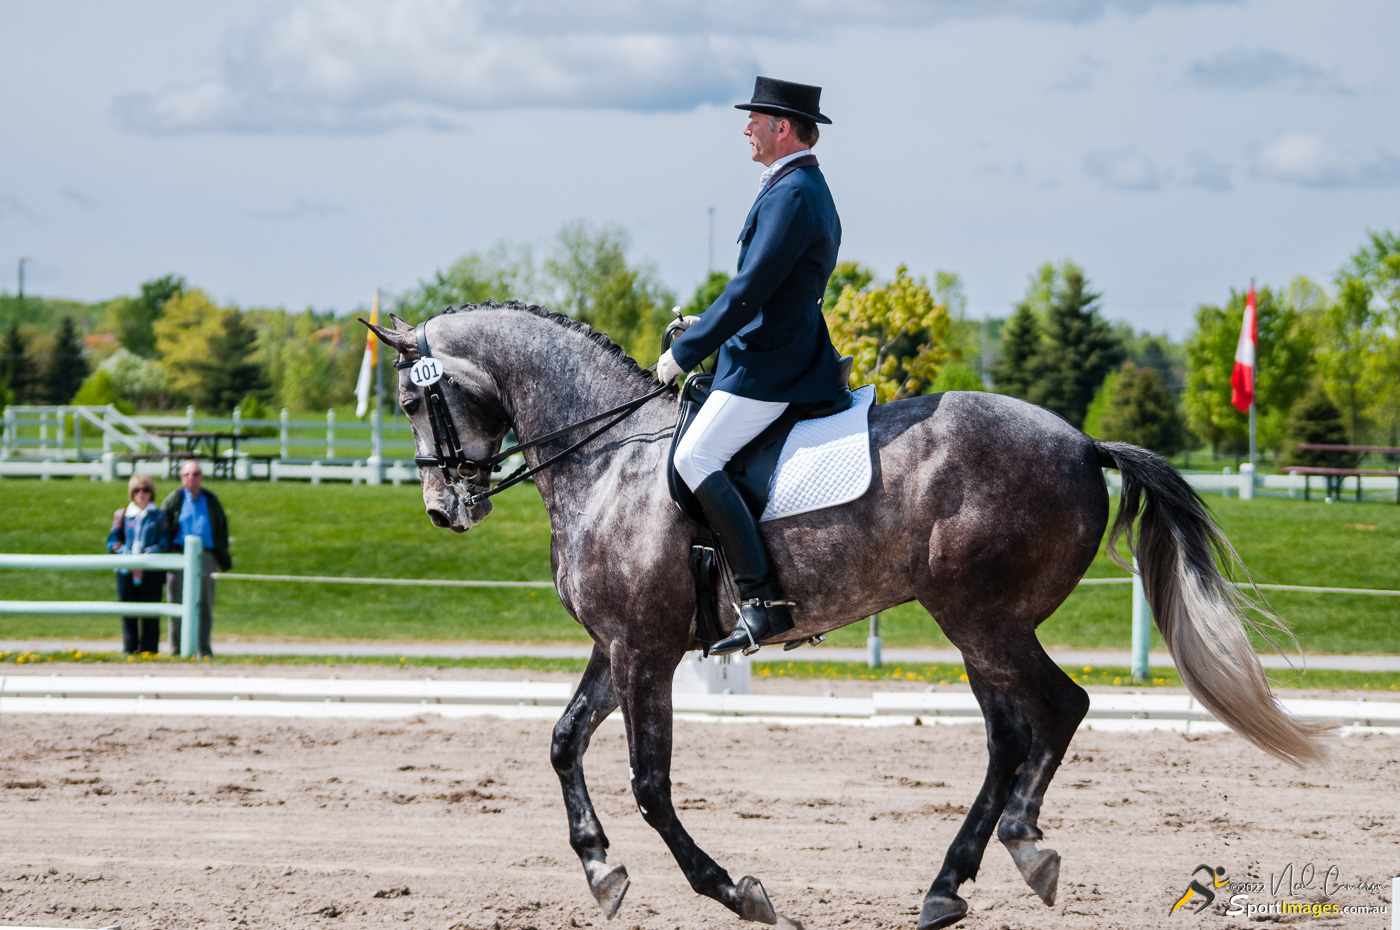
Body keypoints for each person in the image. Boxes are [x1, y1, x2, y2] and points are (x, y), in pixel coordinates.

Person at [657, 76, 844, 656]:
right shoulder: (797, 185)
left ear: (782, 127)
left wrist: (684, 352)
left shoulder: (793, 193)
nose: (745, 130)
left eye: (754, 121)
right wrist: (709, 326)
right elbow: (767, 291)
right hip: (769, 348)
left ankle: (762, 600)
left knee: (694, 456)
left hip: (772, 366)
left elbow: (750, 290)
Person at [160, 459, 231, 658]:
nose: (191, 478)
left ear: (202, 477)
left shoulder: (211, 500)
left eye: (196, 474)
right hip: (179, 556)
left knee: (205, 605)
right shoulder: (174, 500)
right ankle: (176, 650)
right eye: (187, 474)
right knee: (176, 603)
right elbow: (163, 527)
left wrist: (221, 553)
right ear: (181, 477)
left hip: (206, 556)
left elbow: (221, 527)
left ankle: (204, 651)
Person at [106, 473, 167, 654]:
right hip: (126, 571)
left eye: (145, 490)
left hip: (151, 571)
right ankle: (129, 652)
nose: (141, 494)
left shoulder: (159, 516)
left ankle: (150, 652)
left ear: (151, 493)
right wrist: (129, 558)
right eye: (137, 490)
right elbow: (113, 542)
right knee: (128, 615)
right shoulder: (122, 515)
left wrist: (146, 557)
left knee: (150, 616)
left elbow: (164, 543)